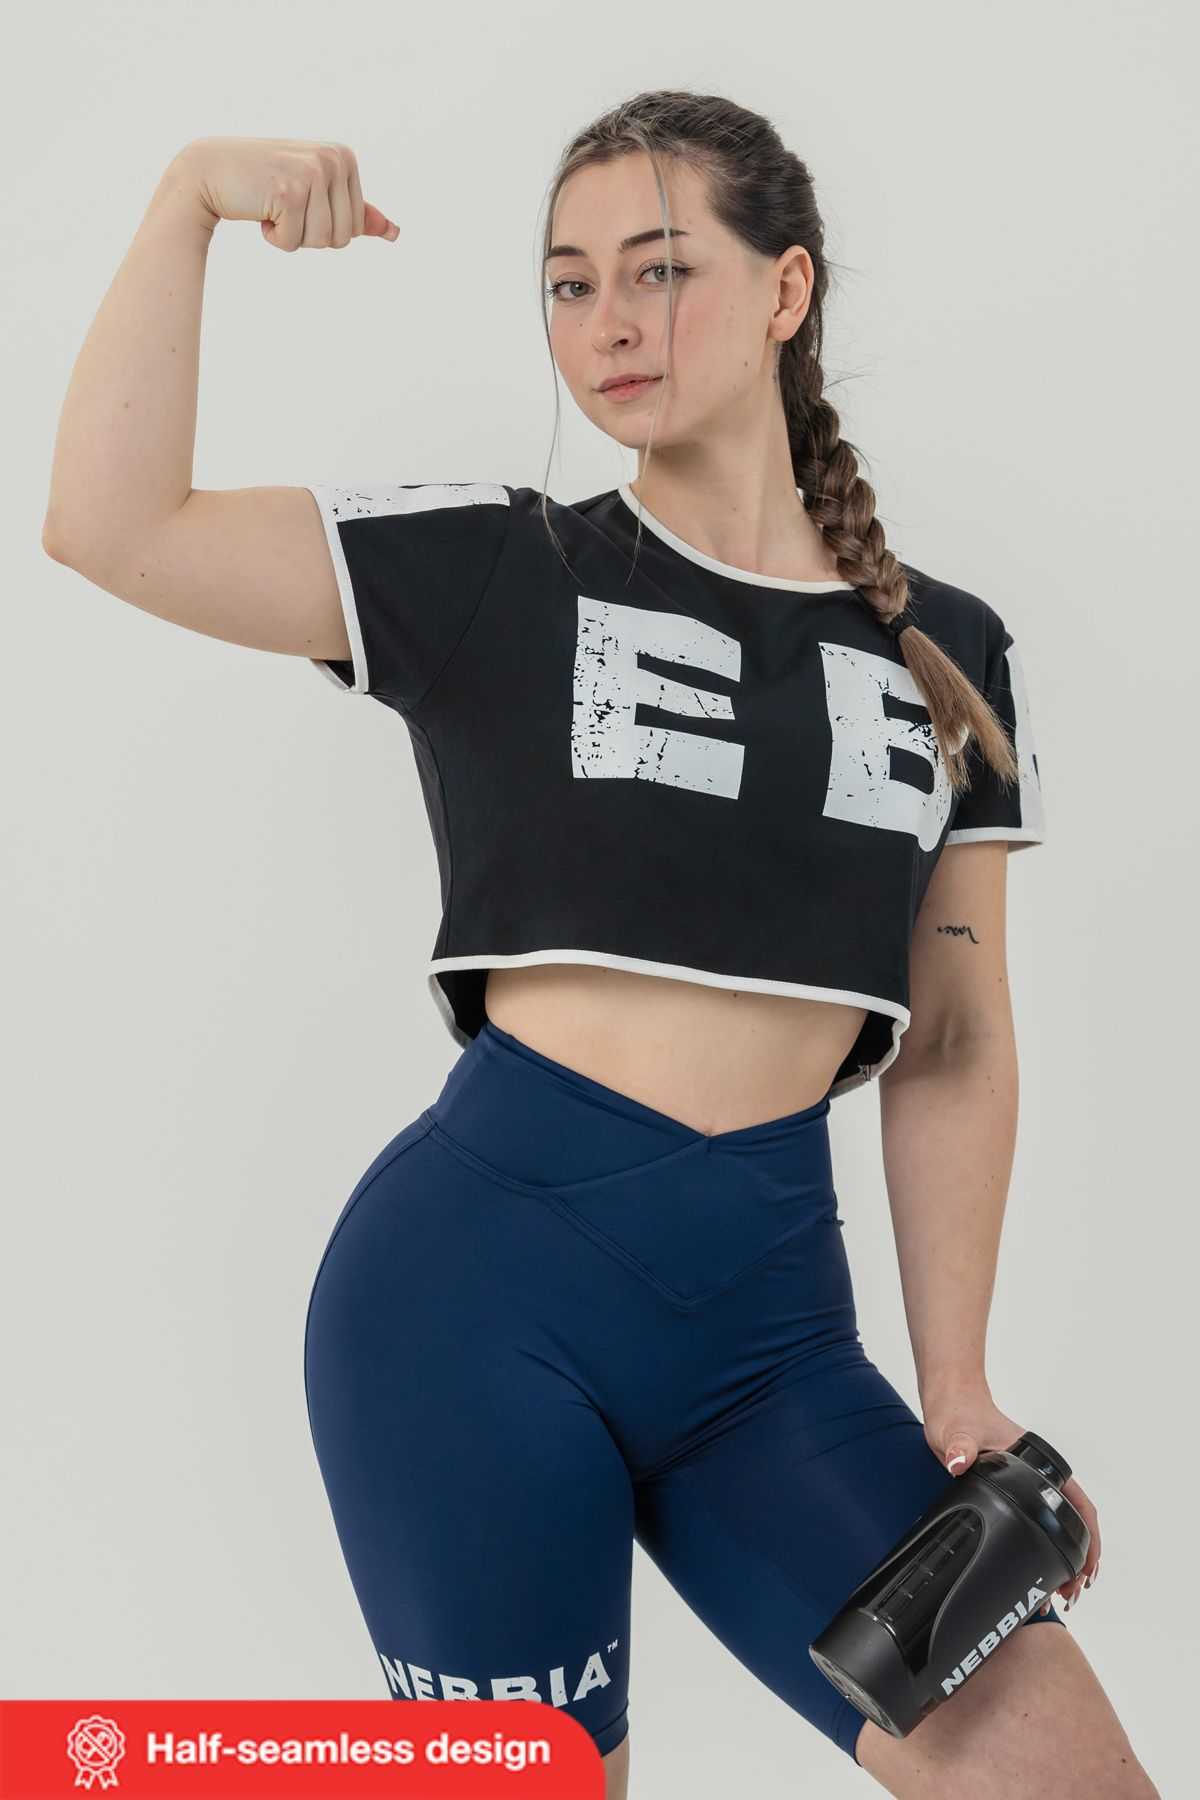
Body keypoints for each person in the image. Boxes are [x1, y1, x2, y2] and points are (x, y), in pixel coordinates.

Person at [42, 94, 1158, 1800]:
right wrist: (190, 198)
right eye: (570, 285)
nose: (611, 322)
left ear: (786, 290)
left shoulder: (950, 651)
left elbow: (953, 1044)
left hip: (777, 1356)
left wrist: (958, 1388)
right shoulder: (499, 565)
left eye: (661, 270)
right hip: (469, 1318)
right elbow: (110, 523)